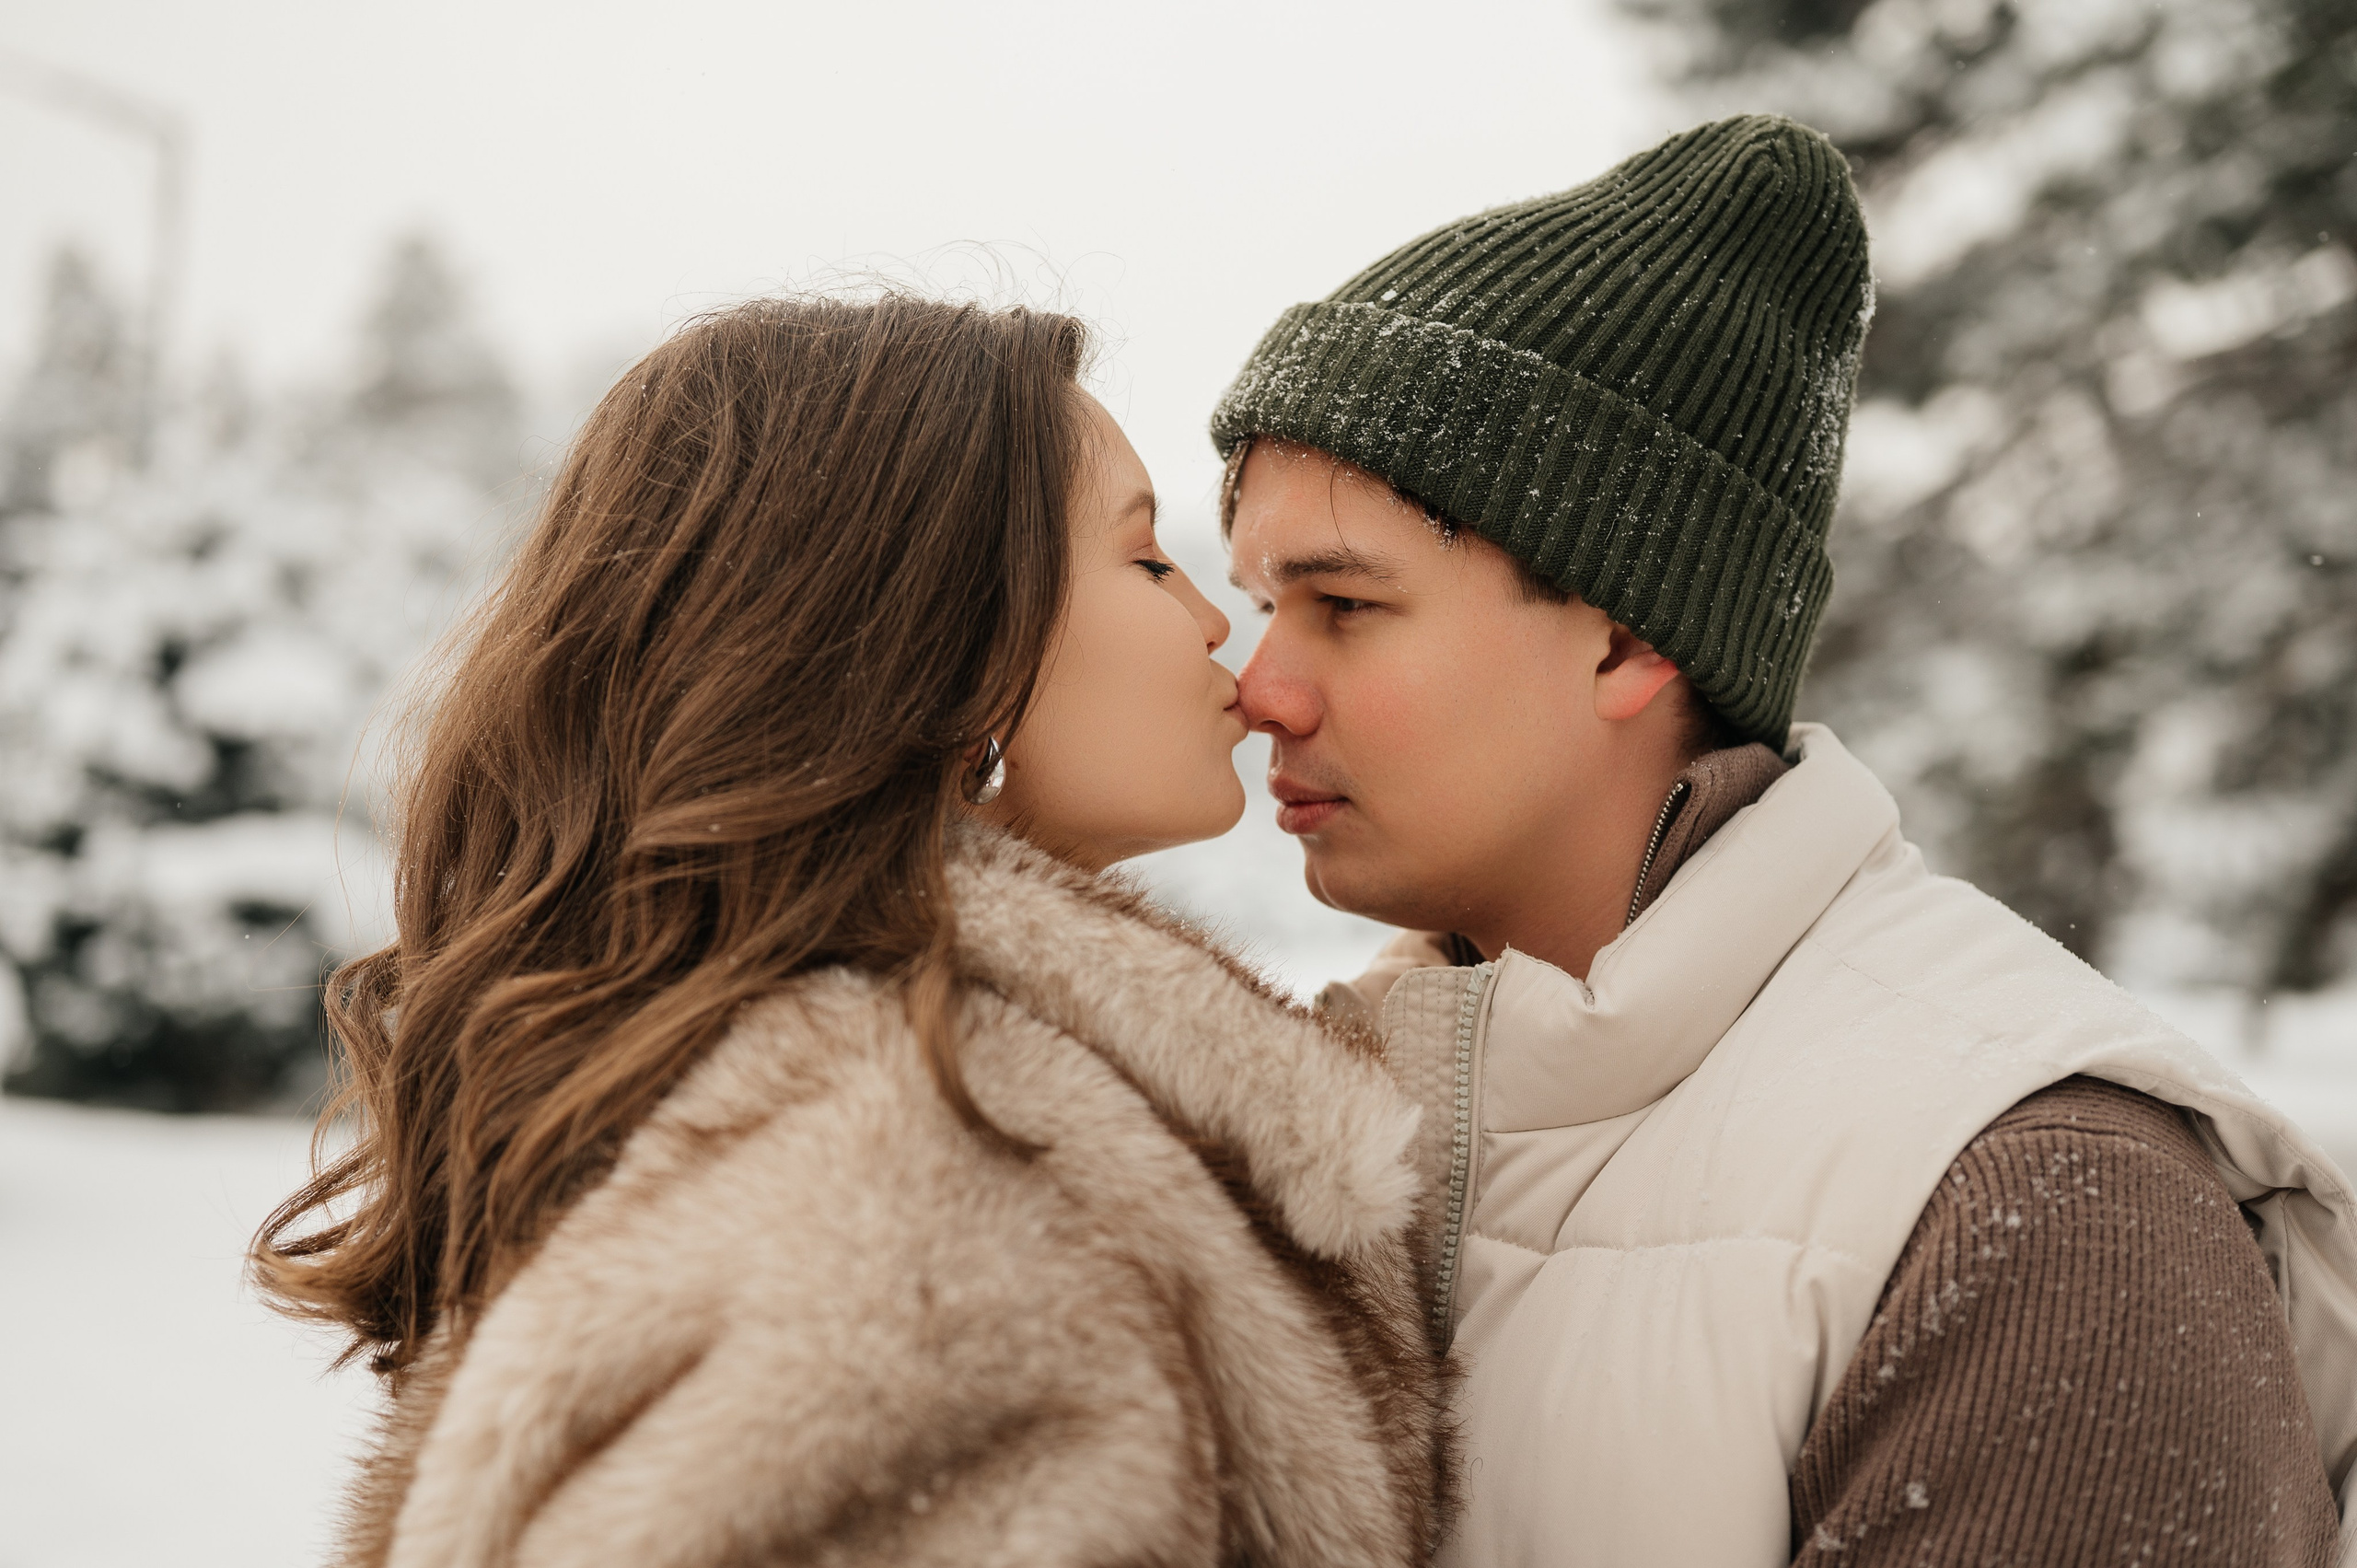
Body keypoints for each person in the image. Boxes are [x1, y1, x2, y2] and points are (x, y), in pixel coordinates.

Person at [1212, 115, 2357, 1565]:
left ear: (1627, 637)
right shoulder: (1312, 1126)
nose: (1260, 687)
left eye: (1345, 606)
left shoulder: (2039, 1202)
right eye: (1259, 604)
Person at [252, 295, 1446, 1568]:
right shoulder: (914, 1229)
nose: (1220, 632)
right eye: (1148, 561)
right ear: (946, 644)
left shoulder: (863, 1110)